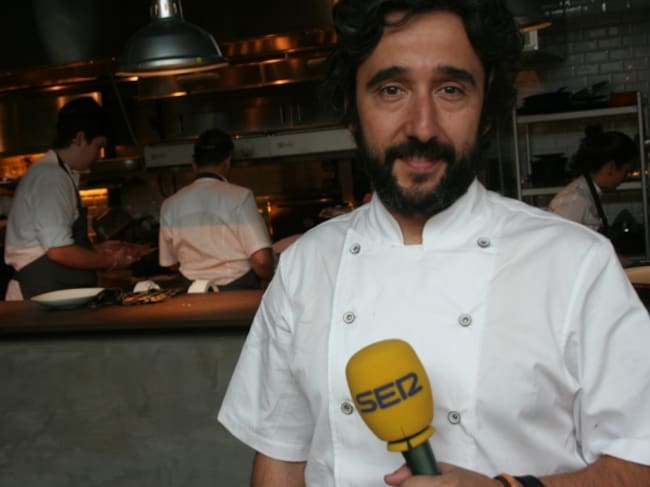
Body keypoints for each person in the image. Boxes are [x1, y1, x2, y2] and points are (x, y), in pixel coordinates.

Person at [218, 0, 650, 486]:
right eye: (391, 90)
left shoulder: (576, 263)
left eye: (451, 89)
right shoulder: (304, 265)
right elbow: (281, 457)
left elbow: (639, 463)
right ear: (352, 111)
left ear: (485, 112)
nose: (422, 126)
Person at [4, 97, 142, 300]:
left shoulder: (58, 173)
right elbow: (59, 251)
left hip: (54, 292)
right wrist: (111, 261)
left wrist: (95, 250)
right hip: (40, 296)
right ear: (79, 138)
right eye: (98, 146)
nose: (98, 155)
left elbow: (49, 244)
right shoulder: (51, 177)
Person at [158, 128, 273, 291]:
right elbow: (262, 261)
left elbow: (170, 263)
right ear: (227, 162)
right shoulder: (240, 197)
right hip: (239, 291)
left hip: (193, 294)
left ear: (194, 165)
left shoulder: (169, 204)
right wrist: (269, 276)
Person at [548, 125, 637, 234]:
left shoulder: (588, 193)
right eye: (626, 172)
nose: (626, 177)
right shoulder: (574, 200)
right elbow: (560, 241)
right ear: (611, 167)